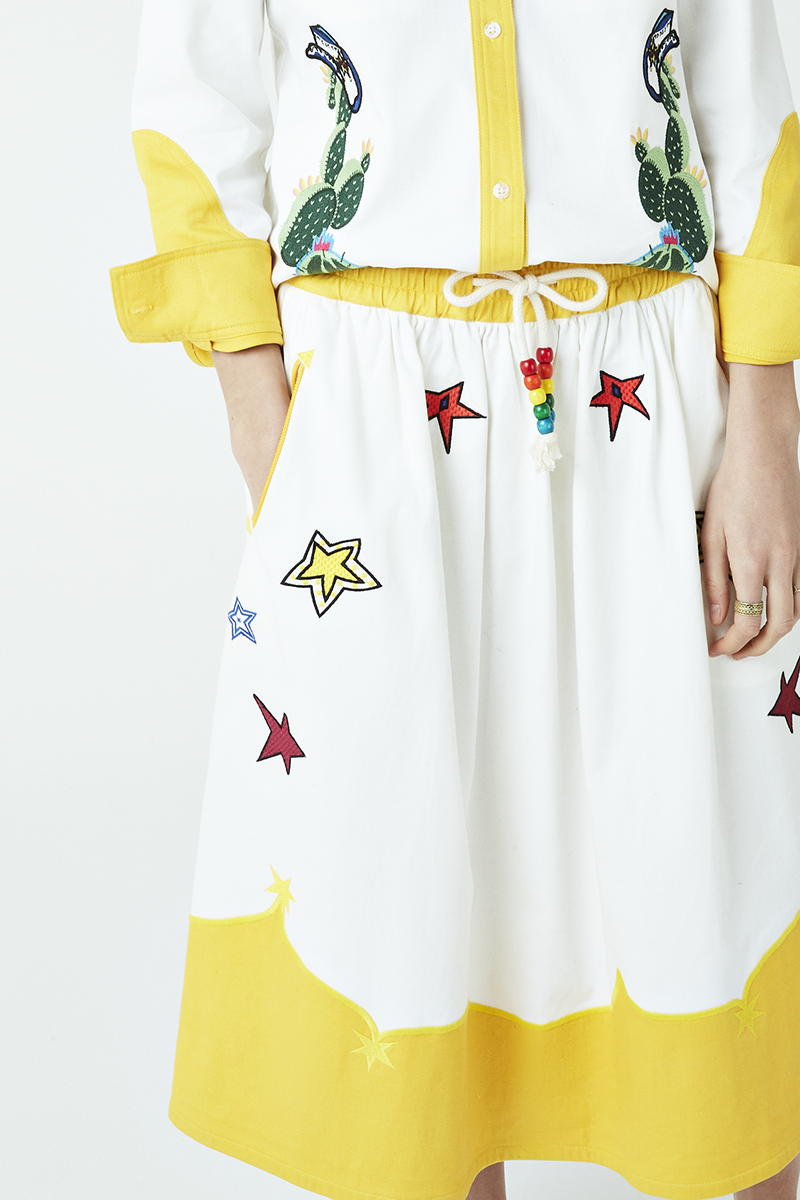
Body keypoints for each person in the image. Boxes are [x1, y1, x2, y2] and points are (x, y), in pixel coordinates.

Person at [111, 3, 800, 1198]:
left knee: (701, 862)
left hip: (647, 404)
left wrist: (766, 425)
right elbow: (194, 98)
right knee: (406, 886)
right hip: (370, 409)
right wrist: (260, 417)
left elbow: (747, 107)